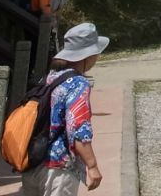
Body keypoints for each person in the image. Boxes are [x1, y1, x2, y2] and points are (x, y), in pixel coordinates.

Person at [24, 20, 110, 195]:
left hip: (32, 163)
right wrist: (92, 166)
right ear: (87, 56)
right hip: (59, 169)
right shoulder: (78, 84)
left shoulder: (50, 78)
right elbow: (78, 129)